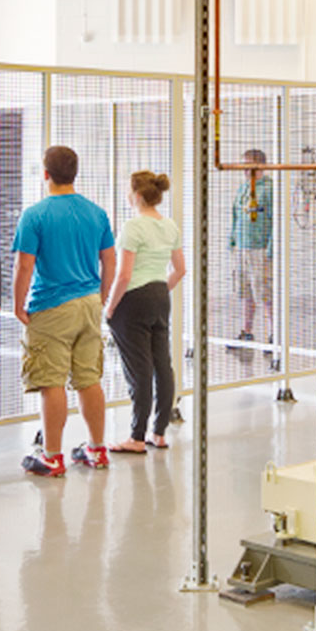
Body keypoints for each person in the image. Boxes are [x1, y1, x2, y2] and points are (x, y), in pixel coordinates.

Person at [13, 145, 117, 477]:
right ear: (75, 173)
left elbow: (24, 267)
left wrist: (17, 303)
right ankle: (97, 449)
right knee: (89, 377)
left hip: (51, 306)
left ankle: (52, 456)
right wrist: (101, 296)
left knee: (51, 380)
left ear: (45, 174)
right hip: (89, 304)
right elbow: (110, 260)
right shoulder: (96, 213)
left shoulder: (35, 215)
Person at [105, 170, 185, 453]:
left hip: (133, 300)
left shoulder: (133, 227)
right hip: (160, 295)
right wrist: (159, 290)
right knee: (162, 364)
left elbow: (124, 275)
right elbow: (180, 270)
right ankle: (159, 432)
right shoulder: (170, 226)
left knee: (138, 369)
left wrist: (110, 307)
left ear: (136, 196)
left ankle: (136, 437)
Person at [228, 147, 275, 365]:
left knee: (264, 291)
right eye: (244, 166)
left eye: (251, 167)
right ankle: (247, 331)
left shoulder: (270, 190)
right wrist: (233, 240)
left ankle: (273, 334)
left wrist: (271, 248)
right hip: (242, 248)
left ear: (262, 167)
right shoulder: (242, 189)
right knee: (244, 290)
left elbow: (276, 220)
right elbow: (236, 215)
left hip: (260, 248)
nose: (247, 171)